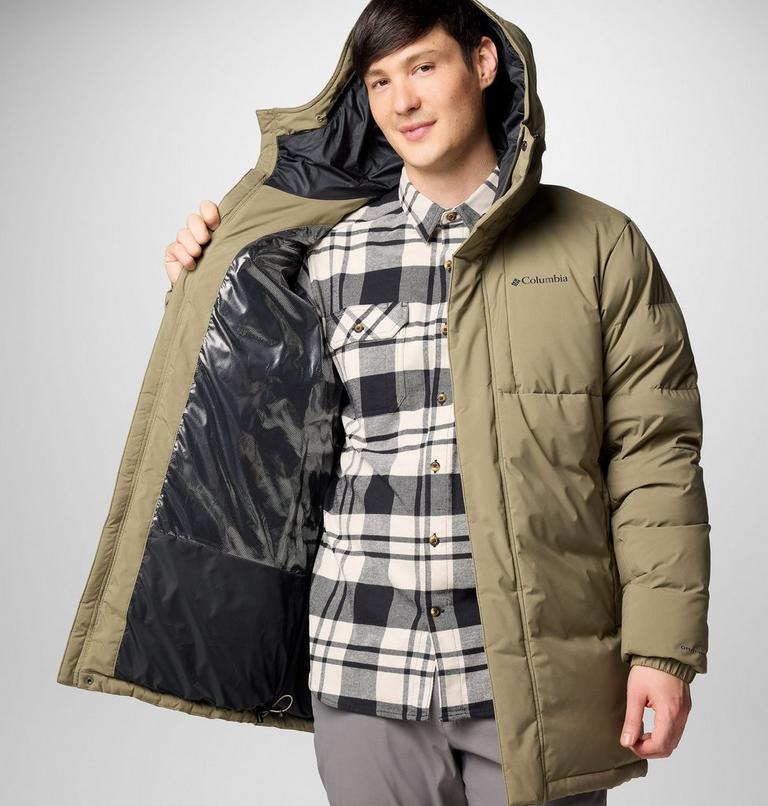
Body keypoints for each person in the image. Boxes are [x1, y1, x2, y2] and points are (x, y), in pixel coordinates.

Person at [58, 1, 710, 804]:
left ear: (482, 63)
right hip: (363, 667)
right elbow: (249, 425)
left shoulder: (598, 245)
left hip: (536, 676)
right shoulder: (322, 251)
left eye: (423, 68)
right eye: (378, 81)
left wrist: (662, 653)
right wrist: (209, 288)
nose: (402, 101)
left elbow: (655, 459)